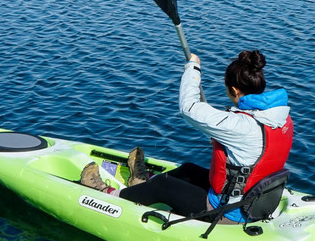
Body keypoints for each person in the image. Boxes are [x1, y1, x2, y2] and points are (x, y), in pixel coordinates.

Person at [78, 49, 293, 223]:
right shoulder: (279, 118)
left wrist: (193, 68)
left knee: (164, 185)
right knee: (188, 170)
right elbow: (255, 150)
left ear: (235, 91)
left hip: (229, 211)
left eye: (227, 90)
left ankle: (109, 195)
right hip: (252, 200)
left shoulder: (241, 125)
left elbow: (188, 108)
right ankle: (140, 186)